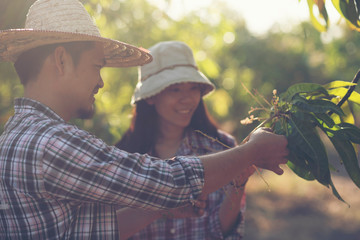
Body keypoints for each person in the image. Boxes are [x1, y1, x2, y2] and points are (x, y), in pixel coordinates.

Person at [0, 0, 289, 239]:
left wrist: (159, 209)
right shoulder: (52, 143)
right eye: (96, 66)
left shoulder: (20, 134)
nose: (100, 81)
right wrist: (252, 151)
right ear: (61, 60)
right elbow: (169, 182)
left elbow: (89, 231)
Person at [115, 41, 255, 239]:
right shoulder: (123, 159)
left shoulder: (222, 147)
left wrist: (237, 185)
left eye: (193, 88)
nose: (188, 99)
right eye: (175, 89)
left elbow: (223, 232)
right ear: (150, 97)